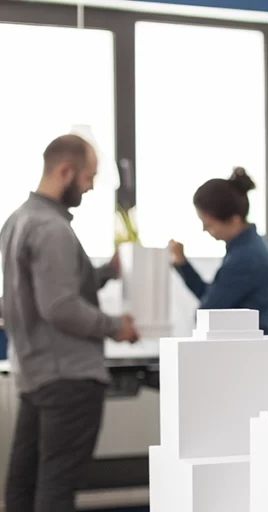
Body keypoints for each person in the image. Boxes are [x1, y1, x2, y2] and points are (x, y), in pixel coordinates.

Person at [1, 134, 140, 511]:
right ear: (65, 171)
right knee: (56, 490)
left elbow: (50, 289)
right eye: (89, 177)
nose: (92, 186)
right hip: (69, 378)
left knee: (23, 485)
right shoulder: (52, 229)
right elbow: (60, 305)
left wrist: (105, 273)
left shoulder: (18, 220)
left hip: (34, 374)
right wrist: (117, 327)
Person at [168, 167, 268, 333]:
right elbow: (213, 295)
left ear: (234, 220)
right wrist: (182, 264)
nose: (205, 230)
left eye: (210, 224)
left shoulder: (246, 257)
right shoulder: (252, 245)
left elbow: (208, 311)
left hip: (247, 349)